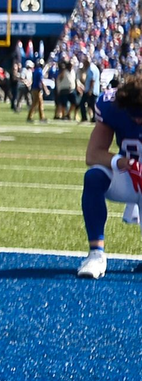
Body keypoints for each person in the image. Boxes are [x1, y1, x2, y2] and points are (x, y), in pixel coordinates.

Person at [76, 73, 142, 279]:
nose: (138, 119)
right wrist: (120, 162)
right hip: (128, 173)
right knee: (94, 176)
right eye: (133, 114)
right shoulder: (110, 105)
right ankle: (96, 254)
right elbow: (93, 154)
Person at [78, 55, 101, 123]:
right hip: (92, 90)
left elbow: (92, 80)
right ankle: (93, 118)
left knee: (84, 103)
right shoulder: (92, 68)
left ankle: (86, 117)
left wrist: (90, 90)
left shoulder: (91, 69)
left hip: (91, 90)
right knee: (92, 105)